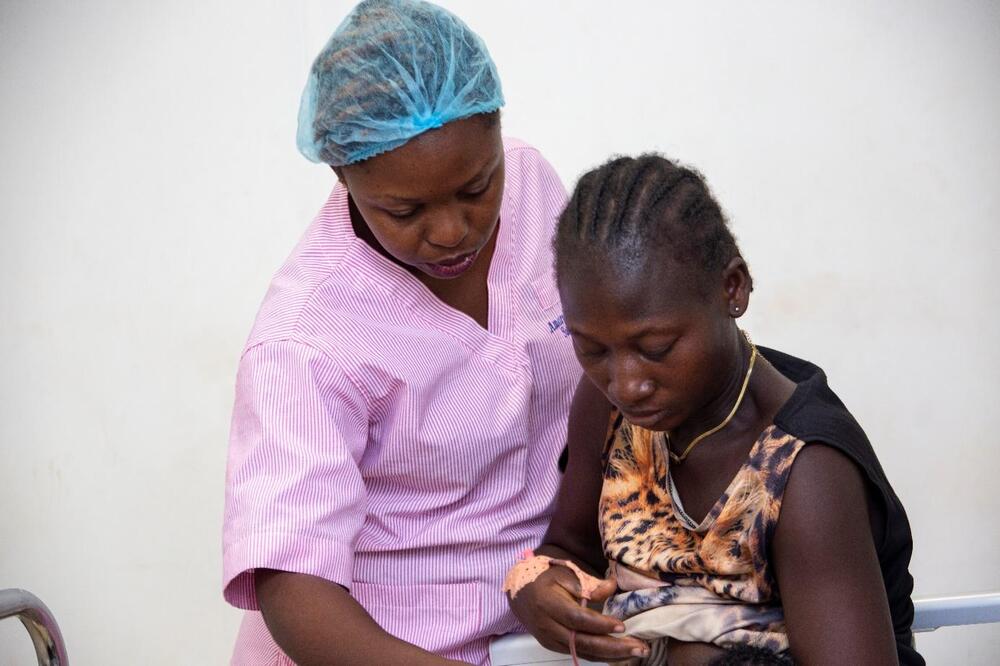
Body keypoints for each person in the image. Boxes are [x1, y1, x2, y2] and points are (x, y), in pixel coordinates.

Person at [221, 1, 579, 664]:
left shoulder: (532, 183)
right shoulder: (305, 339)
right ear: (342, 174)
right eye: (405, 210)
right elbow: (293, 586)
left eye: (476, 187)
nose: (452, 231)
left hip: (534, 613)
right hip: (382, 645)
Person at [507, 155, 924, 665]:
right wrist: (537, 588)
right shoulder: (607, 408)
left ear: (733, 288)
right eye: (592, 349)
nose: (626, 383)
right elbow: (568, 548)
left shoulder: (802, 471)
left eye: (656, 346)